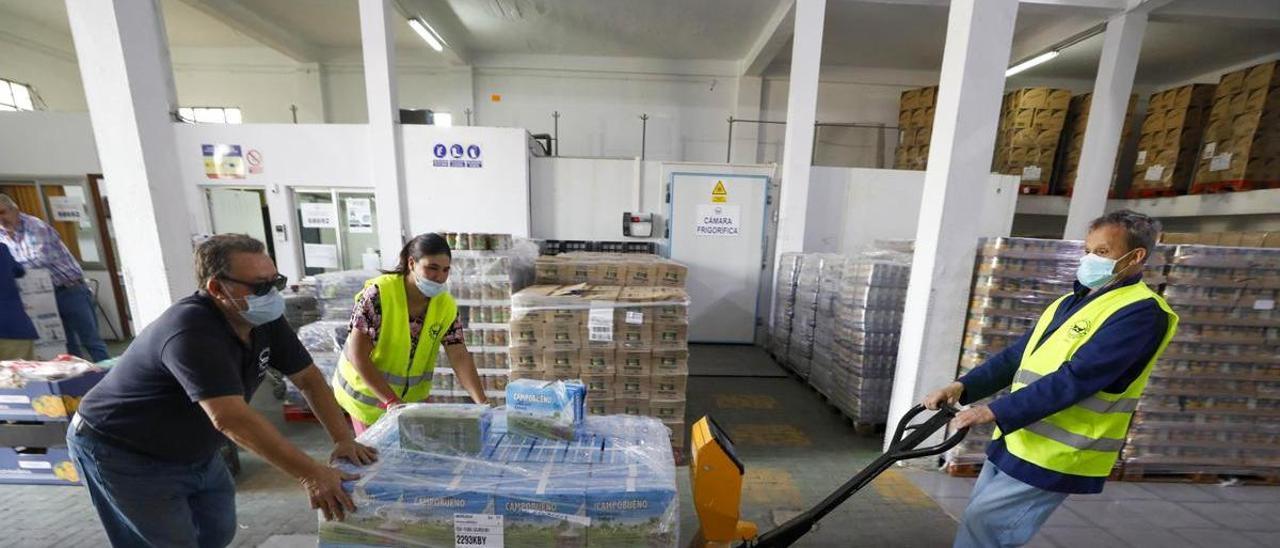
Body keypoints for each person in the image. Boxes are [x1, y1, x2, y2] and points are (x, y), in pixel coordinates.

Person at [66, 234, 378, 548]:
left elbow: (309, 379)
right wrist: (310, 473)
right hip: (123, 450)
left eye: (275, 282)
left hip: (195, 449)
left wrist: (342, 438)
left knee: (217, 532)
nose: (271, 293)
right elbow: (232, 419)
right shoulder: (191, 332)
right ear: (217, 288)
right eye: (259, 286)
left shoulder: (263, 320)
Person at [923, 210, 1178, 548]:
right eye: (1088, 250)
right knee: (980, 524)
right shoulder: (1069, 302)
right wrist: (963, 387)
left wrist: (996, 410)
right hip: (1019, 438)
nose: (1089, 259)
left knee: (986, 530)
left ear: (1136, 256)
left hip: (1059, 452)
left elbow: (1080, 377)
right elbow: (1018, 356)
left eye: (1101, 252)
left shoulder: (1142, 312)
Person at [333, 233, 488, 434]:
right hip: (368, 399)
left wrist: (482, 402)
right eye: (432, 268)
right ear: (412, 263)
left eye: (445, 270)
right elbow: (357, 355)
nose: (439, 277)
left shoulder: (445, 305)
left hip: (410, 403)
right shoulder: (379, 295)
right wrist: (391, 402)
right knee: (378, 460)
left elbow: (458, 354)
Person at [0, 193, 108, 361]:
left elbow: (40, 260)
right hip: (42, 297)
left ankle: (110, 380)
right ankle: (78, 383)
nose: (1, 219)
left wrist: (10, 265)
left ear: (15, 209)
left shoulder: (35, 227)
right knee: (66, 346)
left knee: (91, 341)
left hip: (70, 290)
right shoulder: (2, 235)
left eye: (2, 212)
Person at [0, 242, 38, 360]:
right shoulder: (2, 248)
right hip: (12, 327)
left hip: (9, 328)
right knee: (23, 376)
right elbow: (19, 270)